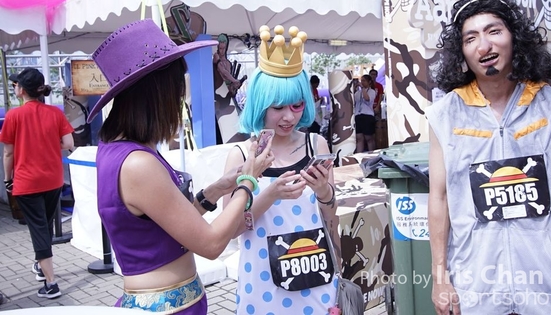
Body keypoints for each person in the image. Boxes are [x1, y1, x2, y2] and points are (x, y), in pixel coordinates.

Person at [426, 0, 551, 314]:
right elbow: (439, 198)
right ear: (461, 52)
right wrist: (440, 277)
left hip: (546, 285)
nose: (484, 46)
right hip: (477, 287)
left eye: (494, 31)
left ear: (514, 37)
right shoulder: (444, 115)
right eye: (471, 38)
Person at [87, 19, 274, 314]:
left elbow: (168, 223)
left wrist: (217, 189)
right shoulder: (137, 163)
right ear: (155, 95)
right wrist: (247, 183)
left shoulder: (119, 149)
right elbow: (211, 245)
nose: (180, 103)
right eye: (176, 92)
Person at [223, 25, 339, 314]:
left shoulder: (316, 144)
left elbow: (331, 216)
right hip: (262, 284)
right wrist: (270, 195)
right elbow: (230, 230)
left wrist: (324, 191)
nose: (289, 117)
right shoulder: (242, 154)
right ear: (261, 105)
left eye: (297, 106)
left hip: (315, 275)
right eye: (278, 107)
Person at [0, 68, 74, 299]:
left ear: (22, 89)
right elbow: (68, 143)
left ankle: (51, 284)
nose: (15, 87)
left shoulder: (13, 116)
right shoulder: (55, 113)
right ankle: (40, 266)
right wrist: (48, 144)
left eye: (16, 85)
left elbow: (8, 153)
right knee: (46, 224)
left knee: (38, 228)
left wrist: (7, 179)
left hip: (27, 181)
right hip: (53, 180)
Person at [213, 33, 247, 97]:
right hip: (217, 90)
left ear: (226, 47)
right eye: (220, 48)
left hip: (226, 92)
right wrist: (234, 80)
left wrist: (234, 85)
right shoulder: (216, 56)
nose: (222, 51)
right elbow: (223, 71)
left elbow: (227, 79)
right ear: (218, 47)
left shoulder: (228, 63)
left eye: (224, 48)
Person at [354, 74, 376, 153]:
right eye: (361, 81)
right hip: (358, 115)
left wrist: (363, 88)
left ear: (369, 82)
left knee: (369, 138)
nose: (362, 82)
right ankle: (359, 155)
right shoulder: (358, 93)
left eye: (364, 81)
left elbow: (367, 99)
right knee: (359, 138)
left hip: (367, 116)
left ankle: (372, 154)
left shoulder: (372, 91)